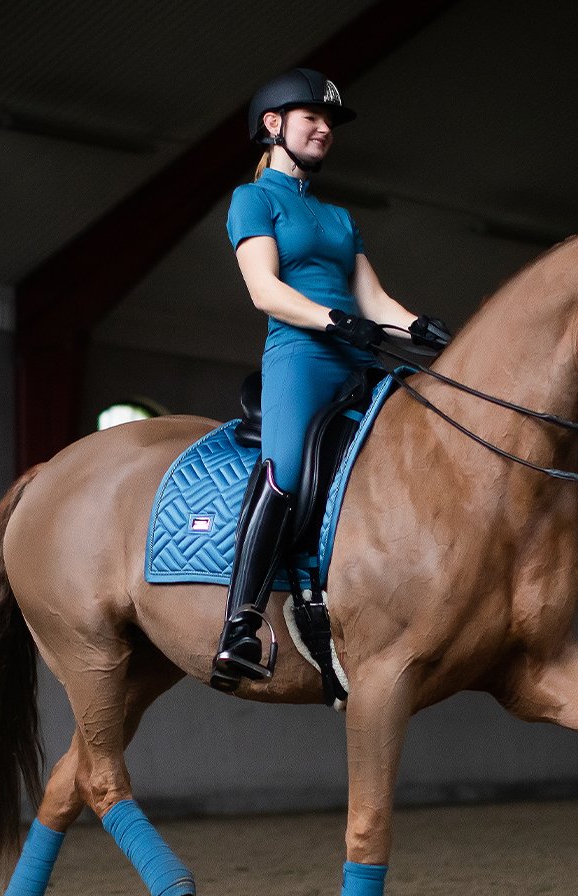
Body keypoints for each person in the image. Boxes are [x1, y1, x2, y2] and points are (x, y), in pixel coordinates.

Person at [211, 68, 450, 690]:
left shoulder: (340, 217)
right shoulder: (253, 200)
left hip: (357, 357)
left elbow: (375, 302)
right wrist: (337, 321)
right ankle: (240, 620)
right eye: (311, 117)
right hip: (300, 358)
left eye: (329, 122)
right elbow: (265, 290)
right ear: (273, 125)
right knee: (284, 470)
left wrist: (428, 332)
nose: (323, 129)